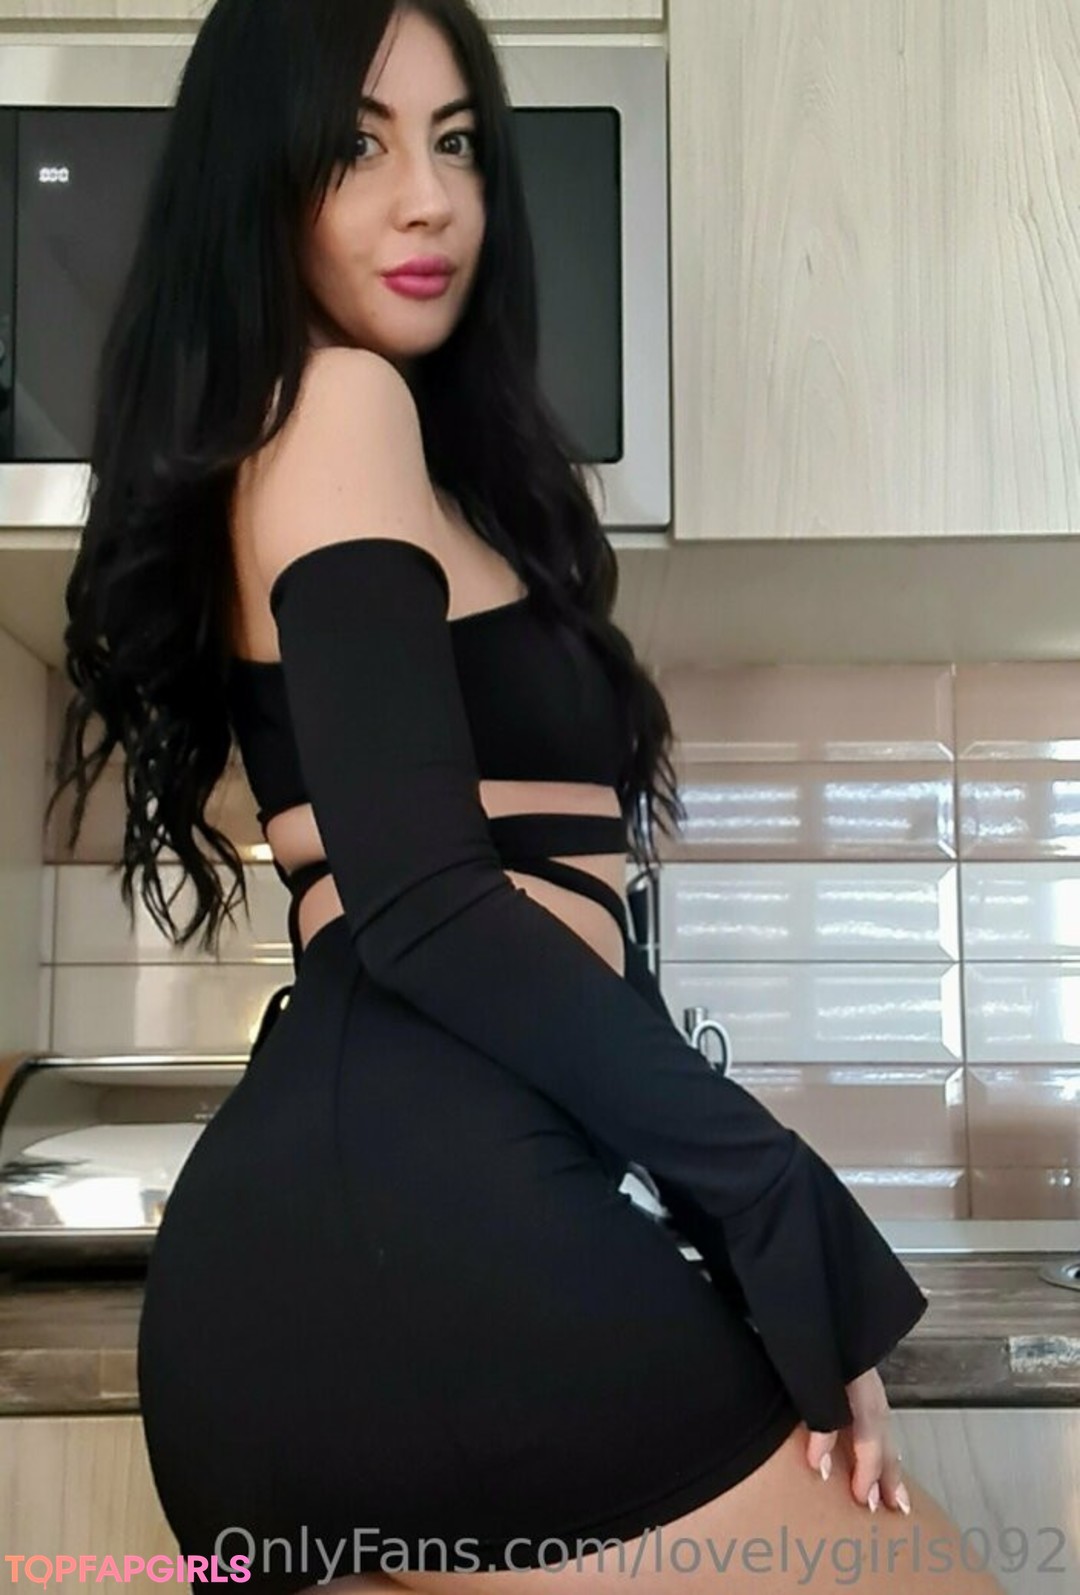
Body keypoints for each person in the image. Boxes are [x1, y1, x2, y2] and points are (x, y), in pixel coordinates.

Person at [47, 4, 1007, 1594]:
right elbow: (427, 899)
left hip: (333, 1262)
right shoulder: (339, 405)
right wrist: (775, 1198)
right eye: (357, 145)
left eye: (456, 143)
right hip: (426, 1239)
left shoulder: (364, 453)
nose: (429, 197)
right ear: (257, 180)